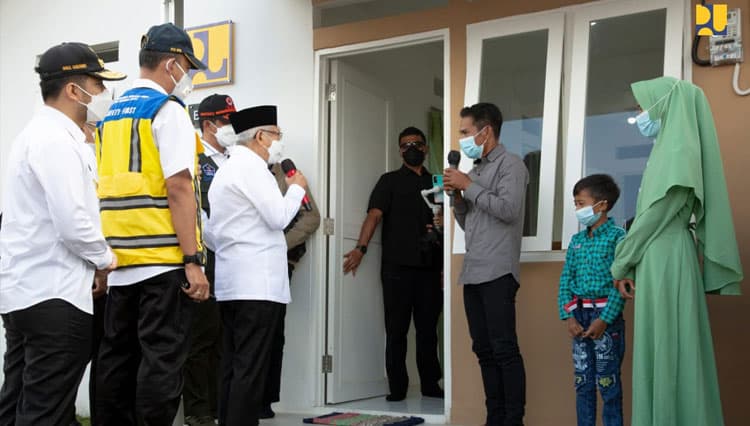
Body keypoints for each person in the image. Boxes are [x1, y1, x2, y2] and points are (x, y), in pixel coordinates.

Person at [0, 42, 124, 425]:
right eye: (98, 84)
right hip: (55, 296)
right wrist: (107, 260)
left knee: (18, 404)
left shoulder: (40, 135)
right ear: (74, 89)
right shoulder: (55, 140)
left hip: (29, 293)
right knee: (46, 412)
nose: (104, 93)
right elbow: (73, 222)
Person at [93, 23, 210, 425]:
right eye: (188, 68)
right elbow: (179, 186)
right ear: (171, 64)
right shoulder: (167, 111)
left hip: (120, 262)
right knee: (162, 361)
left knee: (117, 359)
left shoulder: (109, 116)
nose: (188, 76)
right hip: (162, 260)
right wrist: (192, 260)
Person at [611, 76, 743, 426]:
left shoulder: (677, 152)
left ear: (664, 105)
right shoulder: (666, 150)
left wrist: (621, 262)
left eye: (642, 107)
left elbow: (655, 215)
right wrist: (631, 263)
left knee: (670, 346)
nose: (639, 115)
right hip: (661, 257)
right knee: (667, 346)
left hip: (666, 259)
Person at [205, 105, 307, 426]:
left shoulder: (226, 170)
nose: (279, 141)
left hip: (232, 283)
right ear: (261, 136)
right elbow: (278, 217)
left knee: (233, 365)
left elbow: (211, 234)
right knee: (250, 369)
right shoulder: (252, 168)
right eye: (277, 134)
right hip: (257, 286)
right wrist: (297, 188)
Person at [343, 126, 443, 402]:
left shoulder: (437, 182)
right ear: (400, 151)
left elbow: (446, 224)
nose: (412, 148)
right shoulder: (388, 181)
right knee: (396, 329)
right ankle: (397, 387)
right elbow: (374, 216)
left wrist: (446, 267)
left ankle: (430, 385)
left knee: (428, 331)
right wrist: (360, 248)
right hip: (396, 269)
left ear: (425, 148)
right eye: (406, 145)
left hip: (430, 268)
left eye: (417, 144)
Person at [444, 102, 528, 426]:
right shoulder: (475, 172)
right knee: (483, 350)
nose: (462, 139)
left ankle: (513, 420)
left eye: (465, 132)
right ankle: (495, 418)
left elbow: (508, 210)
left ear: (486, 131)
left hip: (498, 271)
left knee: (504, 348)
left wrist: (468, 186)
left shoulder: (511, 165)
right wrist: (457, 197)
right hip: (473, 272)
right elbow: (470, 224)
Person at [183, 93, 237, 426]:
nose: (231, 126)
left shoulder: (235, 158)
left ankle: (218, 405)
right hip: (205, 257)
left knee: (223, 337)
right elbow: (196, 212)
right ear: (208, 124)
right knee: (200, 336)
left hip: (233, 260)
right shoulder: (194, 157)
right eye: (225, 120)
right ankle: (197, 410)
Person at [558, 174, 626, 426]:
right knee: (583, 383)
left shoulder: (618, 238)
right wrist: (568, 317)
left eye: (581, 203)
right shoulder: (576, 241)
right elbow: (566, 280)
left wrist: (605, 320)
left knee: (608, 383)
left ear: (602, 205)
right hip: (579, 317)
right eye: (575, 204)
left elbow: (620, 283)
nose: (577, 209)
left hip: (605, 319)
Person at [260, 161, 321, 418]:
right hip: (237, 265)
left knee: (272, 333)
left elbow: (311, 217)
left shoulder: (287, 173)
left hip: (278, 264)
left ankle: (264, 401)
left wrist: (278, 245)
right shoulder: (231, 166)